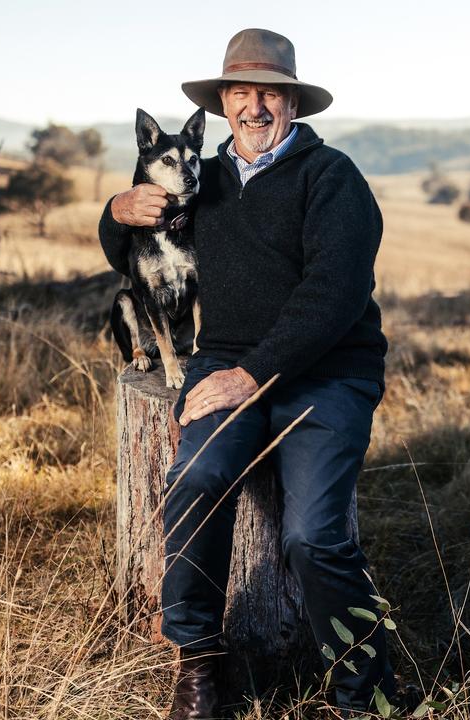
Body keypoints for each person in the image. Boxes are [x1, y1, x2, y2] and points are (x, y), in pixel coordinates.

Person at [98, 27, 394, 719]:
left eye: (271, 93)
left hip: (327, 372)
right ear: (224, 102)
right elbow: (145, 250)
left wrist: (253, 374)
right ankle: (199, 664)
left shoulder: (333, 177)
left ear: (293, 103)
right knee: (197, 478)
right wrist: (115, 215)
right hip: (225, 361)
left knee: (312, 537)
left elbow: (334, 294)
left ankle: (366, 692)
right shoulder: (202, 179)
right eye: (241, 92)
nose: (255, 107)